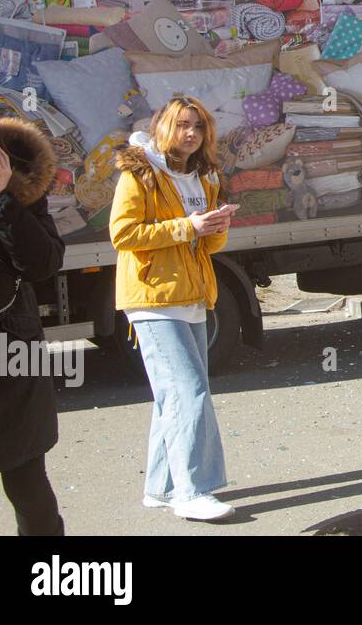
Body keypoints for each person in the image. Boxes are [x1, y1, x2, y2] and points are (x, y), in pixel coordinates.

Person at [110, 95, 239, 522]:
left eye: (198, 127)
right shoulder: (140, 172)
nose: (190, 134)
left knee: (173, 397)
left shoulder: (202, 176)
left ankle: (161, 487)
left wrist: (214, 227)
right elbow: (123, 234)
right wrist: (189, 226)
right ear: (163, 126)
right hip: (152, 298)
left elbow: (207, 242)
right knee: (190, 391)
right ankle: (194, 491)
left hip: (193, 294)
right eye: (182, 124)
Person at [0, 97, 67, 535]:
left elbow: (44, 265)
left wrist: (3, 206)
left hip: (12, 353)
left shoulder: (21, 189)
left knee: (28, 483)